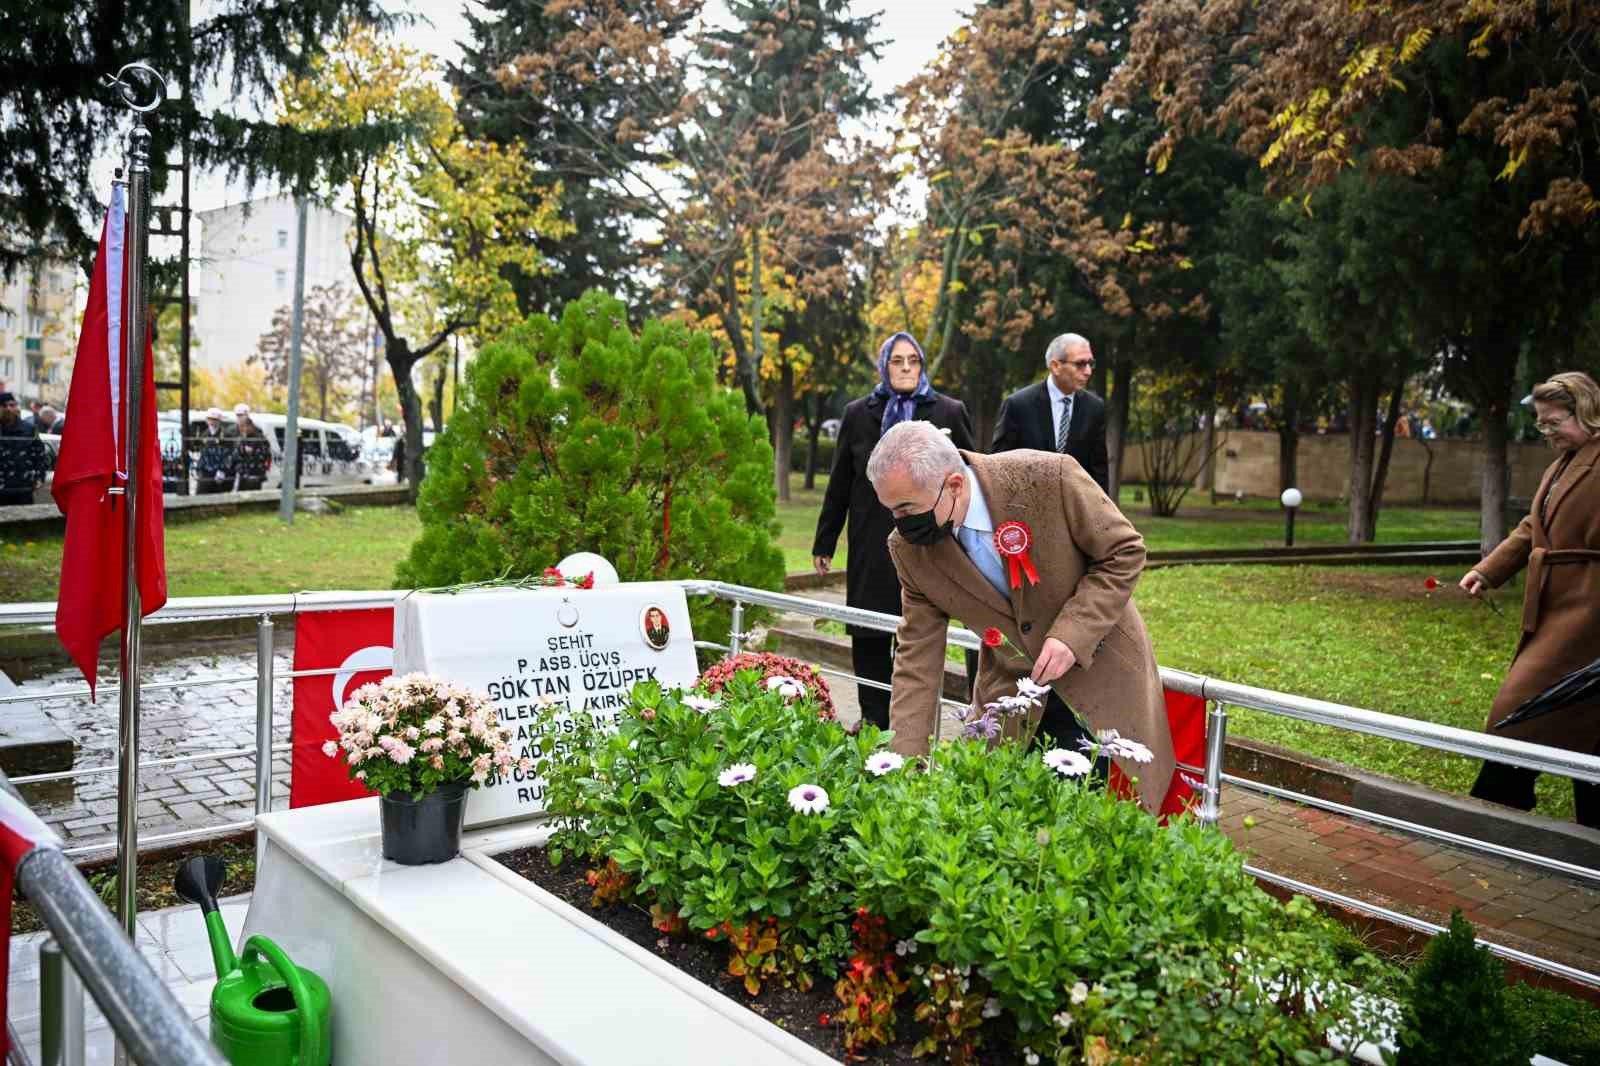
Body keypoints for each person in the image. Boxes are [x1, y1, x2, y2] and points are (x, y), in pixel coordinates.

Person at [866, 420, 1176, 813]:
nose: (900, 524)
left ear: (955, 486)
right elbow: (916, 661)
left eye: (907, 508)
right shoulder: (910, 551)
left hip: (1099, 684)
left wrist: (1073, 633)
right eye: (891, 510)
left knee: (1103, 829)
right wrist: (904, 768)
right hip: (1011, 707)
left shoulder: (1048, 477)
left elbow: (1124, 552)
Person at [812, 332, 977, 730]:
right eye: (897, 361)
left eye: (913, 361)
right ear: (884, 366)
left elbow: (972, 474)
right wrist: (825, 541)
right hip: (872, 542)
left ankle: (916, 725)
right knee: (869, 630)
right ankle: (873, 720)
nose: (905, 368)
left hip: (929, 540)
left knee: (919, 630)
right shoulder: (858, 414)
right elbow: (839, 483)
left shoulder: (949, 412)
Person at [1459, 371, 1600, 826]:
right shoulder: (1563, 463)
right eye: (1541, 423)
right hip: (1560, 607)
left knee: (1518, 711)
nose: (1546, 432)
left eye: (1553, 421)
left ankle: (1494, 812)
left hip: (1589, 610)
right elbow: (1530, 527)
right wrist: (1488, 570)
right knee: (1580, 717)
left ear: (1584, 412)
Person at [991, 333, 1110, 495]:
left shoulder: (1095, 408)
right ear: (1055, 366)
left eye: (1090, 363)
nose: (1088, 371)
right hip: (1027, 507)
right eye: (1080, 364)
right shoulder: (1018, 405)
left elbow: (1099, 470)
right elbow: (999, 464)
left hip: (1076, 510)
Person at [0, 391, 50, 506]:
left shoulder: (28, 429)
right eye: (4, 405)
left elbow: (40, 454)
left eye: (12, 405)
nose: (8, 409)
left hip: (23, 489)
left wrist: (39, 477)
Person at [193, 407, 235, 494]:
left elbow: (229, 454)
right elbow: (201, 453)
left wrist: (223, 470)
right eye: (210, 419)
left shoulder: (226, 435)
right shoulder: (204, 434)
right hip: (205, 472)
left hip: (219, 472)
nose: (211, 422)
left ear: (219, 421)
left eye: (214, 419)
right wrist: (199, 469)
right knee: (201, 495)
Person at [232, 404, 271, 490]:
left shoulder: (259, 435)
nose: (239, 418)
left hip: (255, 473)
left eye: (241, 415)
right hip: (241, 473)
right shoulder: (235, 433)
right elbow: (234, 453)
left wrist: (253, 451)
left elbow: (266, 454)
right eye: (238, 415)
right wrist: (241, 450)